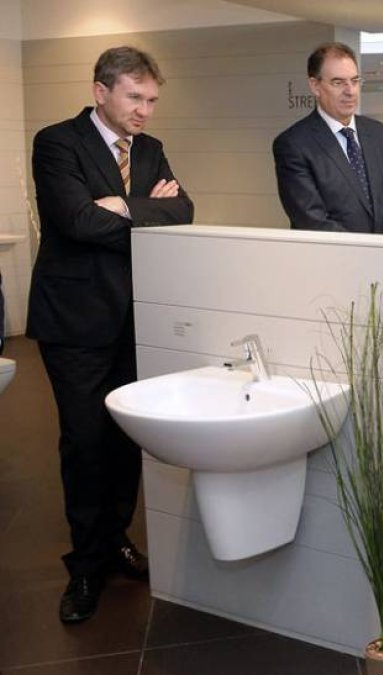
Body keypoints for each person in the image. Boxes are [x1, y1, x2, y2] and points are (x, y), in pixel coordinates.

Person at [27, 46, 195, 624]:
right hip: (74, 322)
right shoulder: (57, 142)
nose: (145, 110)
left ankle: (116, 537)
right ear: (101, 92)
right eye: (134, 97)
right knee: (85, 441)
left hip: (132, 319)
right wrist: (145, 210)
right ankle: (85, 564)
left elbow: (184, 211)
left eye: (152, 99)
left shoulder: (149, 150)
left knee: (126, 437)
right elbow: (76, 221)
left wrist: (120, 205)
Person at [273, 42, 383, 234]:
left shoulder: (380, 134)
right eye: (338, 83)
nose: (350, 91)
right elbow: (312, 220)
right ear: (315, 86)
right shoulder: (293, 145)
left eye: (355, 81)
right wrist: (367, 250)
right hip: (332, 253)